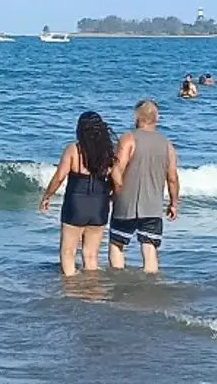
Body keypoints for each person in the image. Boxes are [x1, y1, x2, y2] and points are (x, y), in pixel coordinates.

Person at [39, 111, 116, 276]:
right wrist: (111, 197)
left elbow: (59, 177)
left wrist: (47, 196)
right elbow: (118, 181)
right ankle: (92, 293)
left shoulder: (74, 150)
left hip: (76, 205)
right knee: (91, 255)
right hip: (99, 206)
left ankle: (71, 291)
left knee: (68, 252)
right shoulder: (108, 153)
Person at [109, 100, 179, 274]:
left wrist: (115, 193)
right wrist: (173, 203)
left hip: (126, 203)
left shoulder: (129, 138)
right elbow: (172, 178)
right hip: (153, 206)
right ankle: (150, 287)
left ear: (137, 117)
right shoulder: (167, 144)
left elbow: (117, 170)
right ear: (157, 118)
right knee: (150, 248)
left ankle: (118, 281)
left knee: (117, 244)